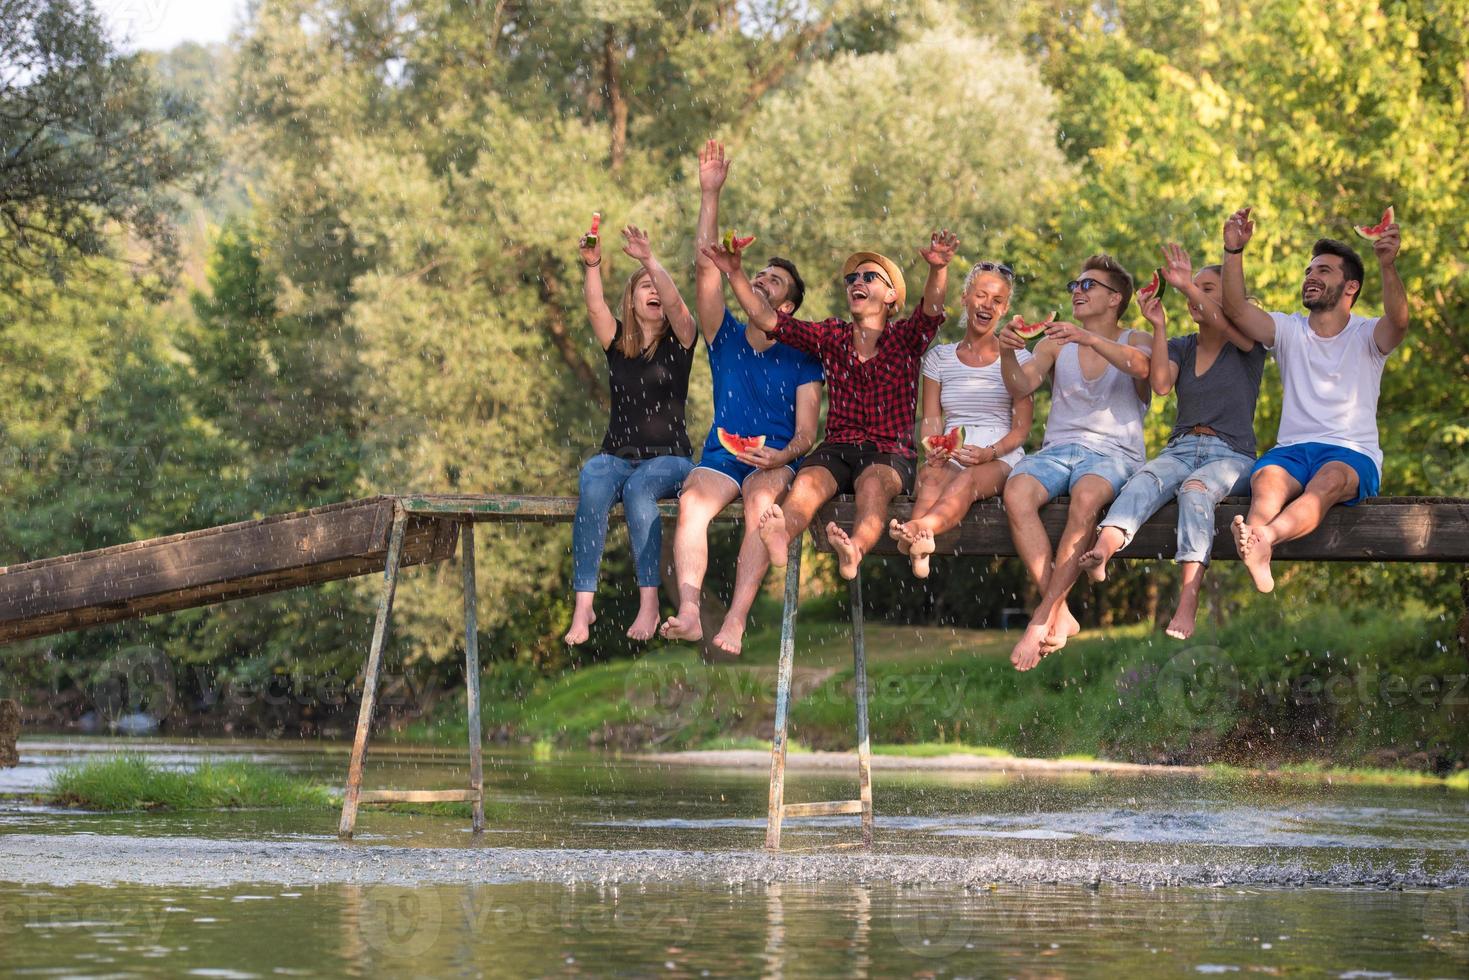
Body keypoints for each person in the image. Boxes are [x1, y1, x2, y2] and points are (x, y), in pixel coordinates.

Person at [703, 230, 958, 581]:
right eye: (852, 278)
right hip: (837, 448)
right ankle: (781, 533)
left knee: (873, 486)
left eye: (870, 277)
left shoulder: (905, 339)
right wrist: (734, 272)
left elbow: (930, 311)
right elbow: (767, 320)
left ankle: (854, 548)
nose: (857, 281)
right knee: (807, 484)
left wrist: (938, 269)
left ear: (891, 296)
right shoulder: (831, 336)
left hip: (889, 452)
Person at [659, 140, 823, 654]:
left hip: (774, 459)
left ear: (788, 306)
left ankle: (734, 622)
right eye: (759, 275)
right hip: (722, 456)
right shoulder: (724, 335)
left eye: (773, 282)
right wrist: (710, 193)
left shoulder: (804, 354)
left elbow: (807, 432)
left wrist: (782, 456)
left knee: (760, 502)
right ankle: (689, 612)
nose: (761, 281)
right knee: (691, 503)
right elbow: (708, 269)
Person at [1079, 244, 1267, 638]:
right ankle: (1103, 551)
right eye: (1192, 287)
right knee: (1143, 481)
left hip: (1230, 455)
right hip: (1181, 447)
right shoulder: (1183, 344)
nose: (1194, 294)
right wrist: (1159, 326)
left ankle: (1188, 598)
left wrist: (1183, 284)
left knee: (1195, 492)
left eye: (1208, 288)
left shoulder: (1248, 344)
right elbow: (1161, 385)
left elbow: (1225, 317)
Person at [1218, 207, 1407, 592]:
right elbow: (1236, 309)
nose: (1311, 277)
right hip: (1292, 450)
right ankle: (1258, 547)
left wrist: (1388, 266)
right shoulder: (1289, 330)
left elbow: (1400, 321)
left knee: (1330, 479)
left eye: (1323, 271)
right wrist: (1233, 251)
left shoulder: (1368, 337)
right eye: (1308, 271)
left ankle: (1263, 539)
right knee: (1266, 478)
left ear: (1350, 288)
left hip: (1351, 454)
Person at [998, 255, 1158, 671]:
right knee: (1016, 492)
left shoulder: (1137, 338)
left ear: (1114, 299)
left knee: (1086, 498)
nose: (1077, 292)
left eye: (1088, 285)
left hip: (1114, 453)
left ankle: (1040, 618)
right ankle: (1059, 610)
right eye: (1075, 285)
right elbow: (1022, 385)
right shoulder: (1054, 342)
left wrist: (1088, 339)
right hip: (1057, 450)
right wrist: (1007, 352)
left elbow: (1145, 369)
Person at [565, 222, 699, 645]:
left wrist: (648, 261)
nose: (654, 291)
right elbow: (594, 309)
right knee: (592, 478)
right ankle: (584, 605)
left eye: (657, 285)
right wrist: (592, 265)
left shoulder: (682, 339)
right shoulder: (618, 342)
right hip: (617, 456)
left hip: (671, 458)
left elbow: (677, 305)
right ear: (632, 298)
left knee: (640, 489)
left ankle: (650, 601)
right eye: (644, 286)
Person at [889, 261, 1034, 578]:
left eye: (997, 300)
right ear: (965, 298)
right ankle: (919, 550)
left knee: (967, 481)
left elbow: (1022, 429)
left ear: (1005, 308)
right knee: (930, 474)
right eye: (981, 295)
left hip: (1001, 454)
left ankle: (917, 529)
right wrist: (933, 448)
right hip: (954, 449)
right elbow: (930, 417)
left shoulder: (1020, 358)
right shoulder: (939, 358)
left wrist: (989, 452)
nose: (988, 305)